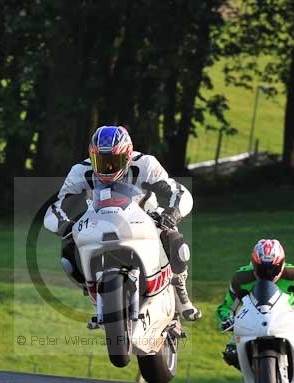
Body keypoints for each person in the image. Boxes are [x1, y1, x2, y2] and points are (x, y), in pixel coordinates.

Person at [43, 125, 201, 322]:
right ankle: (95, 294)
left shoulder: (146, 164)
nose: (107, 168)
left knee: (174, 238)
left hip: (144, 215)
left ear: (127, 155)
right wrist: (67, 227)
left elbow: (178, 193)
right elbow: (56, 208)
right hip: (99, 221)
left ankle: (180, 289)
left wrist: (172, 214)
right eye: (100, 161)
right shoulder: (80, 171)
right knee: (68, 256)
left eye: (113, 161)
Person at [215, 238, 294, 383]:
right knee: (231, 352)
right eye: (262, 269)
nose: (267, 274)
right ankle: (254, 372)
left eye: (273, 269)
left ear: (281, 264)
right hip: (251, 319)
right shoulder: (242, 278)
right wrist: (227, 318)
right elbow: (225, 307)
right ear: (253, 264)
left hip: (291, 317)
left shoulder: (293, 274)